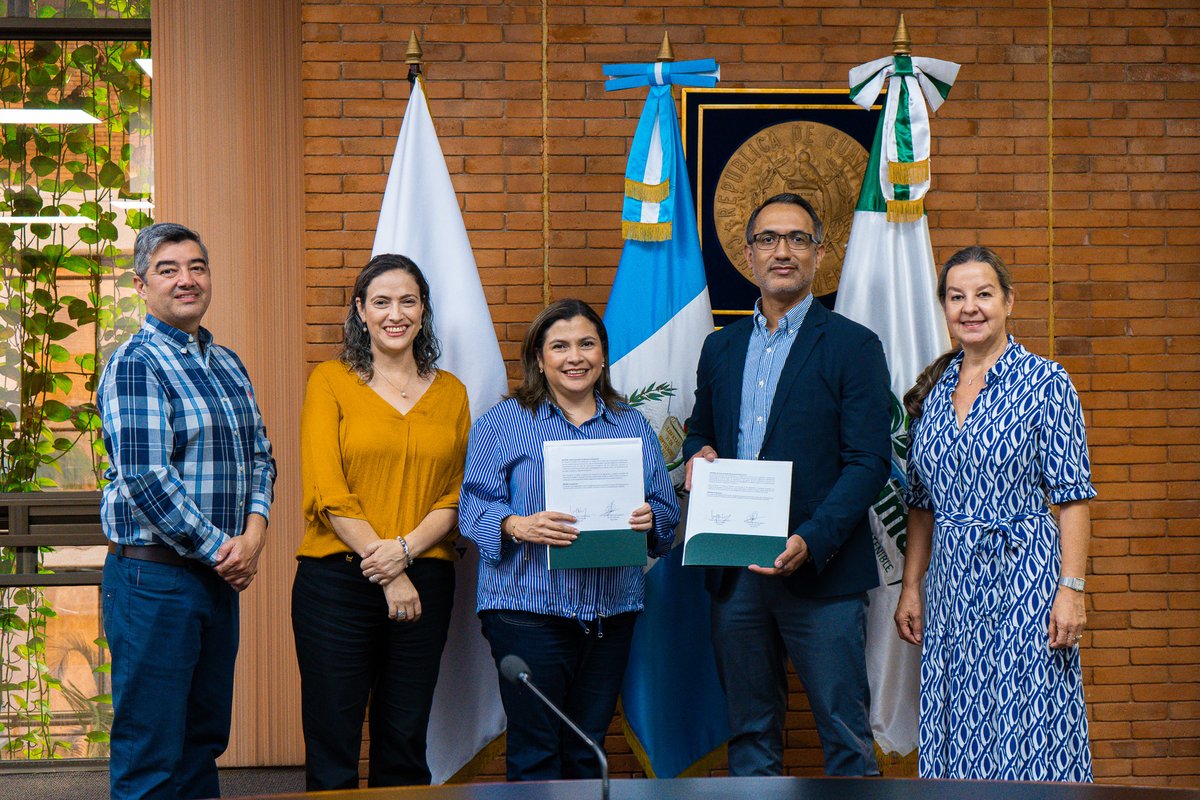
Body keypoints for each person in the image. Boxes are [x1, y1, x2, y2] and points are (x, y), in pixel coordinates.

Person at [682, 193, 891, 776]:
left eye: (798, 238)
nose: (783, 250)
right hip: (735, 570)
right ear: (748, 253)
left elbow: (868, 461)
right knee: (749, 737)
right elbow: (701, 429)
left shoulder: (854, 345)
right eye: (769, 238)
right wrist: (698, 451)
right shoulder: (719, 348)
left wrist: (810, 538)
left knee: (846, 736)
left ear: (819, 254)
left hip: (821, 572)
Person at [893, 246, 1095, 781]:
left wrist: (1071, 590)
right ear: (944, 307)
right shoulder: (933, 391)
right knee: (959, 716)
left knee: (1030, 716)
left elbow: (1073, 497)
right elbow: (920, 504)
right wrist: (911, 586)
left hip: (1025, 578)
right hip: (954, 583)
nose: (970, 307)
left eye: (983, 294)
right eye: (957, 297)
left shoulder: (1046, 383)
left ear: (1008, 301)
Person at [459, 298, 680, 782]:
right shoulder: (503, 422)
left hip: (610, 615)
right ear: (539, 358)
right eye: (559, 346)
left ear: (603, 354)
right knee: (536, 751)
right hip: (526, 613)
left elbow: (667, 511)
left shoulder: (631, 425)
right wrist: (516, 525)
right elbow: (472, 508)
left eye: (586, 343)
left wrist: (651, 519)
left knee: (587, 751)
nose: (574, 356)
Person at [99, 222, 276, 799]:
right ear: (141, 285)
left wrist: (252, 536)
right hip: (154, 580)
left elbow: (260, 458)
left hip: (215, 579)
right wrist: (223, 550)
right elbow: (148, 477)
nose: (186, 280)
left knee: (203, 745)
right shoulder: (135, 363)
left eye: (196, 267)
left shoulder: (228, 363)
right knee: (150, 753)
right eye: (169, 269)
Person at [292, 254, 470, 789]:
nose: (396, 313)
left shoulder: (453, 392)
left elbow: (456, 493)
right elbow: (328, 489)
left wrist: (406, 554)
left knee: (404, 740)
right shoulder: (330, 381)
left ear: (424, 311)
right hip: (336, 584)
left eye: (408, 301)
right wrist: (390, 569)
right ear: (361, 312)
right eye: (382, 302)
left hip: (426, 581)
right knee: (333, 740)